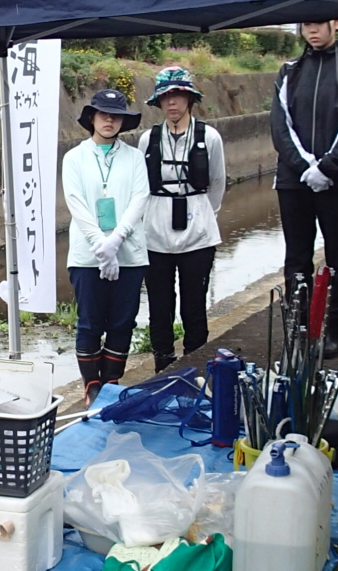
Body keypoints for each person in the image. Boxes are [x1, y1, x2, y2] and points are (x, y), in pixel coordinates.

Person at [269, 19, 338, 357]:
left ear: (337, 23)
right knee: (296, 256)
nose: (312, 31)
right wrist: (305, 167)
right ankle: (299, 325)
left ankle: (332, 327)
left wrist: (329, 166)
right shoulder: (289, 71)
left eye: (318, 24)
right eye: (306, 25)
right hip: (294, 180)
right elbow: (280, 124)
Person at [135, 66, 226, 371]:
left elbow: (218, 182)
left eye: (177, 95)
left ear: (189, 99)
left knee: (194, 304)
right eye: (166, 97)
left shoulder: (209, 137)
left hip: (198, 232)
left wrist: (202, 215)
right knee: (159, 306)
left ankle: (195, 364)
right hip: (155, 233)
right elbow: (141, 186)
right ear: (159, 102)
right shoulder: (148, 139)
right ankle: (162, 363)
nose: (172, 102)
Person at [63, 87, 149, 400]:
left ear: (123, 121)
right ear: (92, 118)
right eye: (103, 114)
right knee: (89, 322)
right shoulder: (74, 158)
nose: (109, 120)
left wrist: (116, 239)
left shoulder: (134, 158)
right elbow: (75, 202)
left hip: (129, 253)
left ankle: (111, 381)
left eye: (116, 116)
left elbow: (140, 199)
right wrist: (100, 242)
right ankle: (91, 385)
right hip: (87, 254)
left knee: (123, 321)